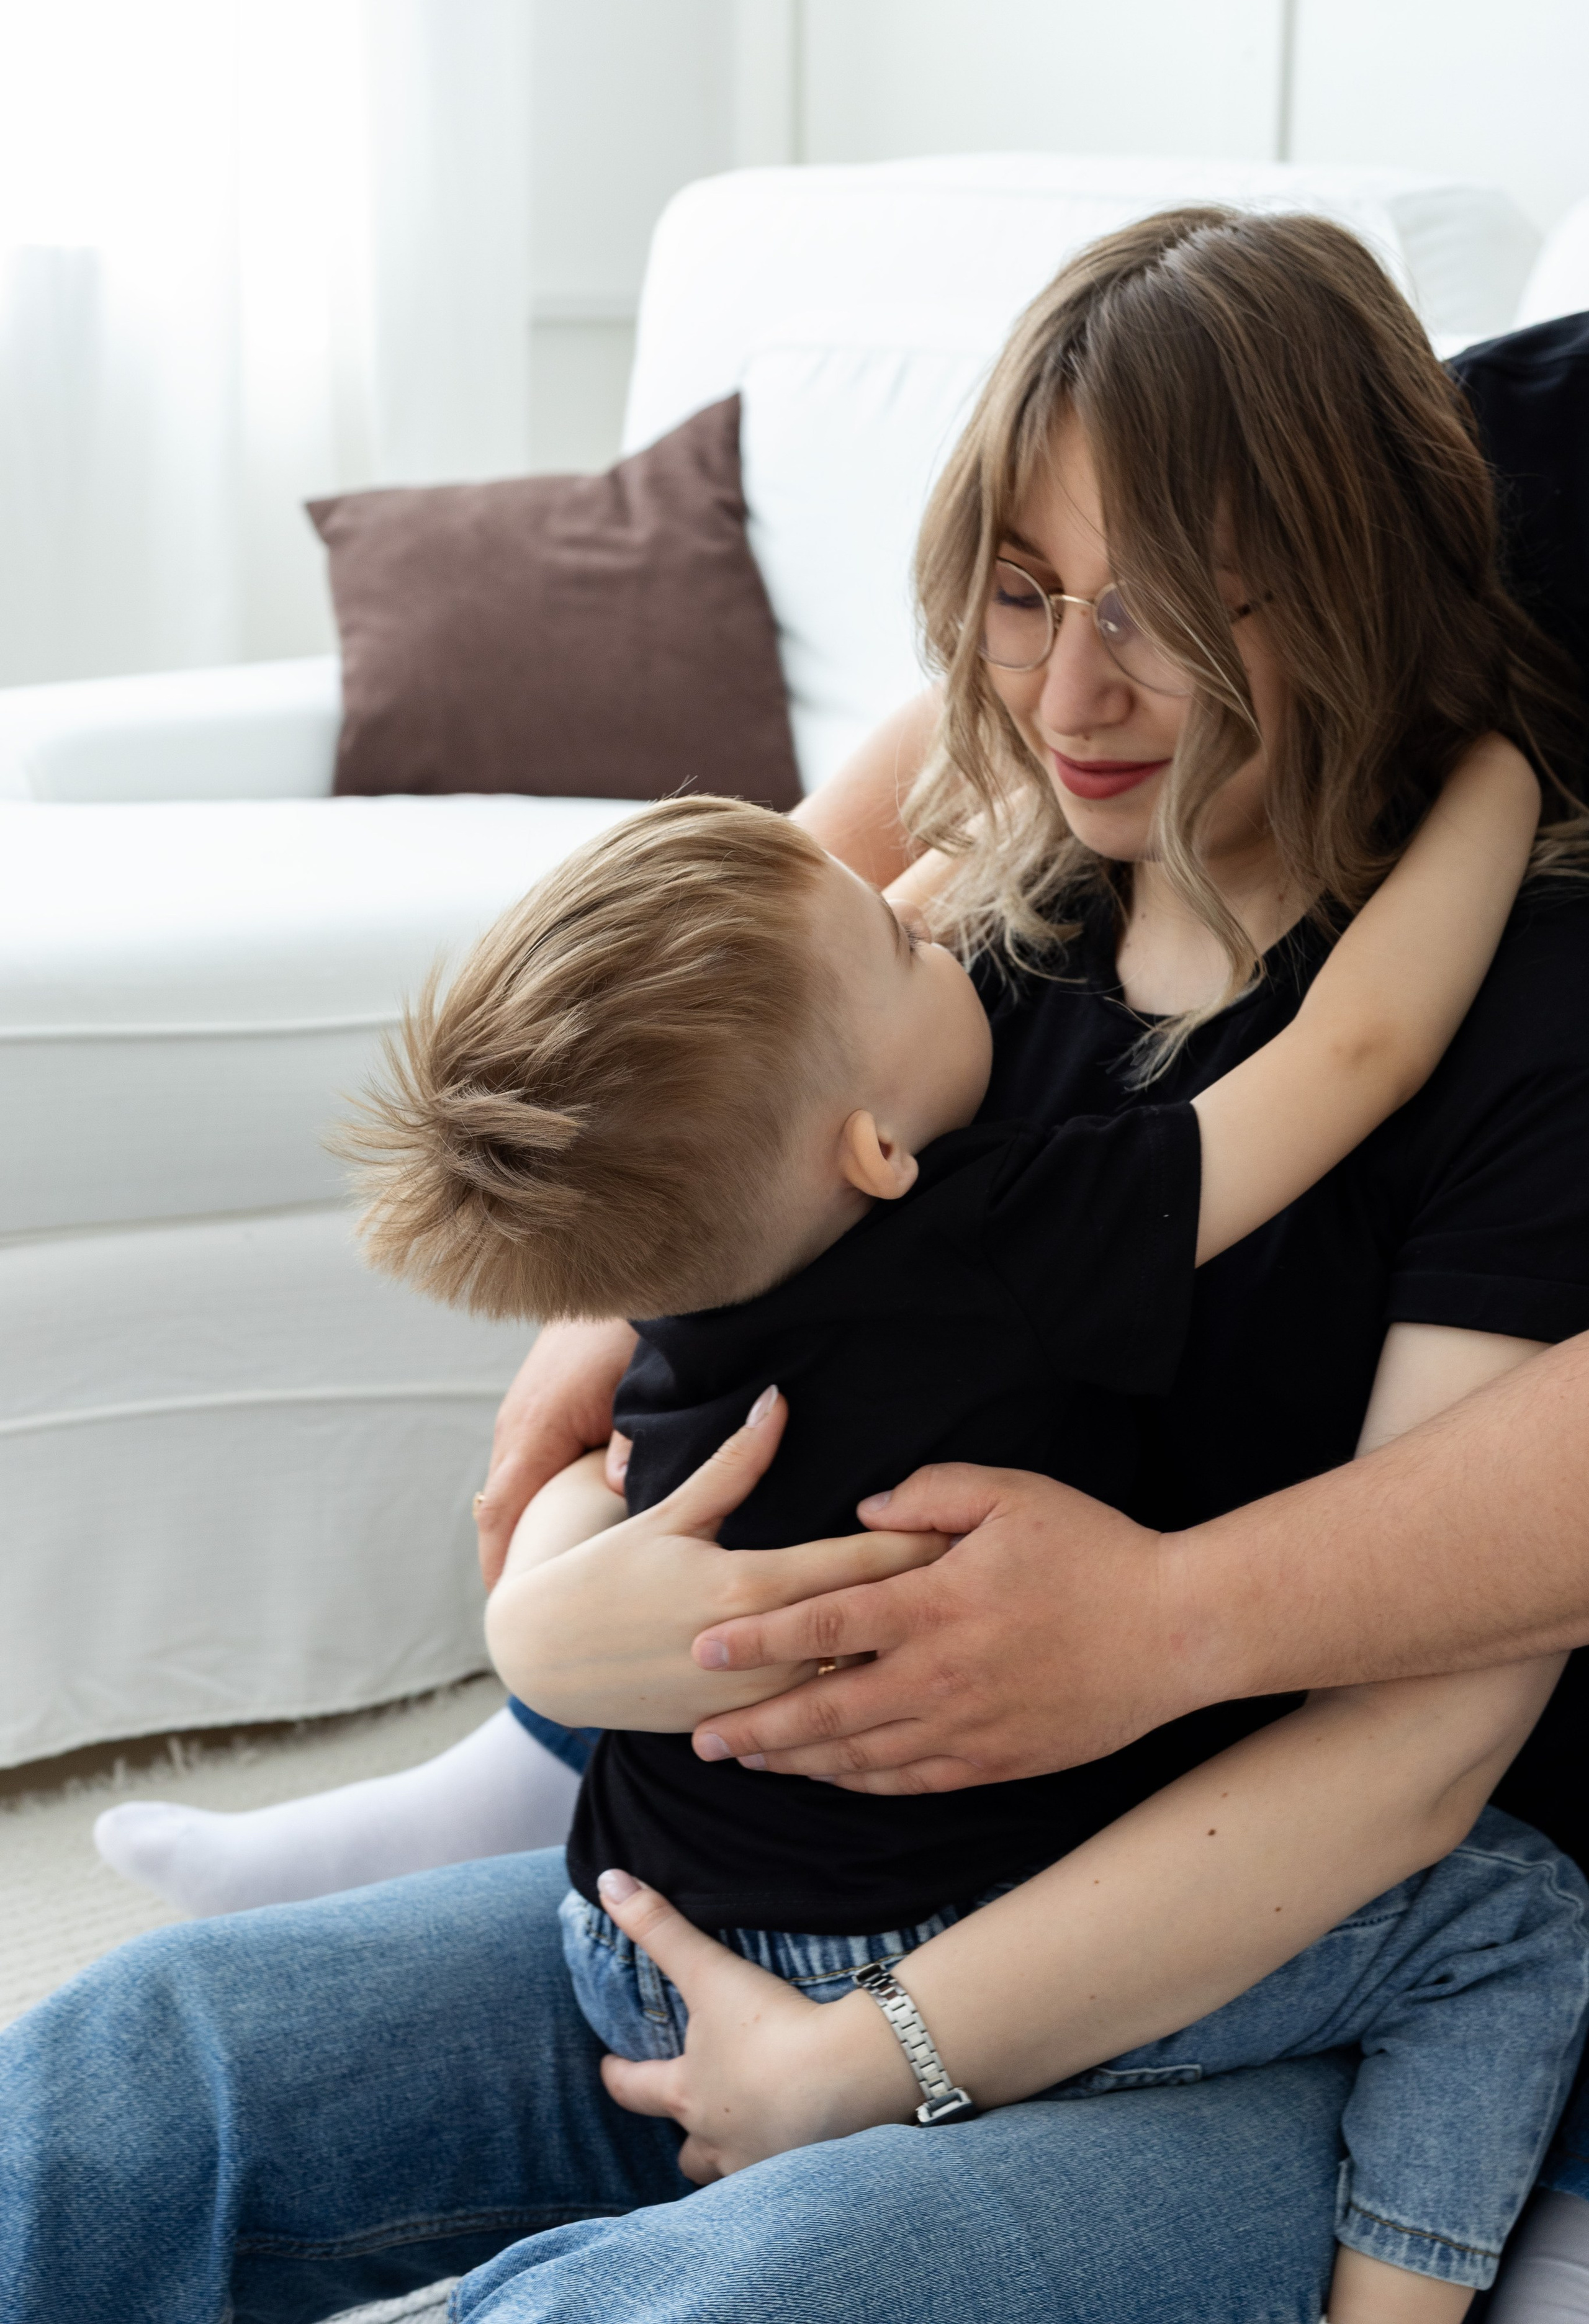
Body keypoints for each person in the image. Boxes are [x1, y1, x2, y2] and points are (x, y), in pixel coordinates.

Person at [11, 202, 1589, 2323]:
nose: (1077, 691)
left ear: (1349, 582)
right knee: (133, 2067)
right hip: (751, 1913)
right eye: (1026, 602)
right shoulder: (951, 958)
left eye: (1177, 615)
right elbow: (684, 1376)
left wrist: (871, 2059)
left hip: (1223, 1995)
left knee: (725, 2296)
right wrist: (572, 1620)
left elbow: (1415, 1756)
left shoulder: (1521, 1015)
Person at [328, 753, 1585, 2324]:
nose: (945, 923)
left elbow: (598, 1495)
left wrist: (542, 1614)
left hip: (639, 1929)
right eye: (906, 944)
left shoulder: (681, 1265)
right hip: (909, 1940)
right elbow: (1362, 1043)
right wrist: (1494, 774)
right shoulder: (1002, 1236)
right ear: (865, 1145)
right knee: (1509, 1922)